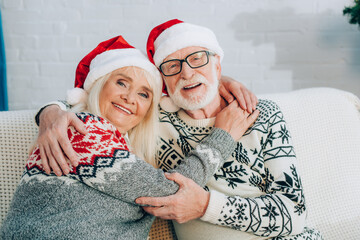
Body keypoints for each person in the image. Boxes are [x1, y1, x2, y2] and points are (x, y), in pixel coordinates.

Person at [32, 20, 323, 239]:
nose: (187, 72)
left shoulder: (262, 113)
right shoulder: (151, 120)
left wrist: (205, 205)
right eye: (172, 65)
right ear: (164, 82)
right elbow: (101, 100)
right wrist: (51, 113)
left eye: (198, 59)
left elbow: (294, 213)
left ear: (218, 66)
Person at [0, 36, 259, 239]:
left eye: (144, 94)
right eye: (121, 83)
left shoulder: (105, 138)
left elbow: (179, 90)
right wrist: (223, 136)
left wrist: (217, 79)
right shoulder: (82, 131)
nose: (130, 98)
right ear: (98, 85)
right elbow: (173, 192)